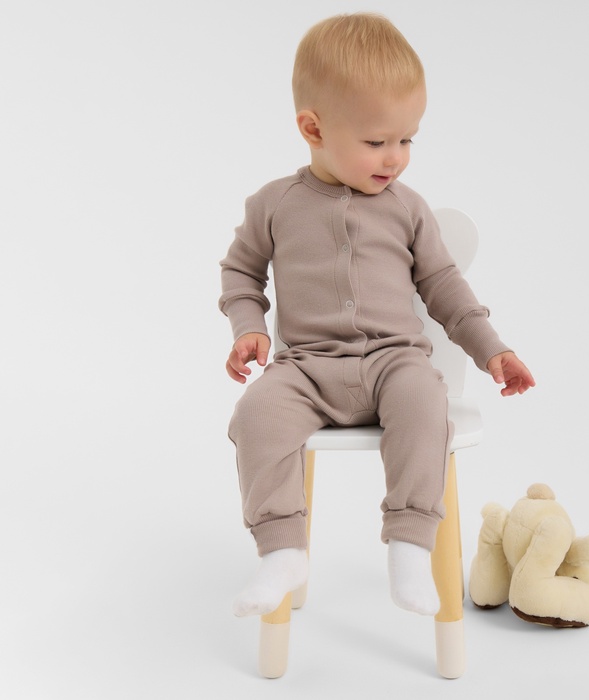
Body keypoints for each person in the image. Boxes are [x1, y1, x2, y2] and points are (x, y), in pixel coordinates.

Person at [219, 12, 535, 618]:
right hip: (306, 369)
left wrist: (491, 348)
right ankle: (281, 549)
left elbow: (445, 287)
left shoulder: (407, 209)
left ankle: (410, 545)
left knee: (424, 400)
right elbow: (240, 272)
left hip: (393, 363)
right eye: (376, 142)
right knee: (256, 414)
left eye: (407, 139)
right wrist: (249, 327)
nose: (396, 157)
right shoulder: (274, 205)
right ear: (313, 128)